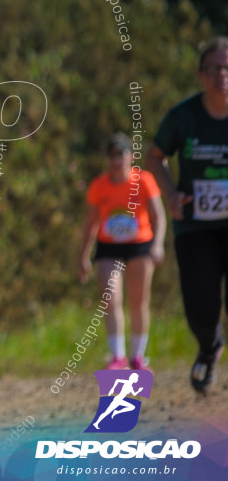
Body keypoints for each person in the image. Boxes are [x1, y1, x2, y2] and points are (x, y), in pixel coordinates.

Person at [147, 36, 228, 393]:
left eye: (227, 68)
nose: (222, 75)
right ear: (200, 75)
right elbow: (154, 156)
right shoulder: (183, 116)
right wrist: (170, 192)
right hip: (195, 226)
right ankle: (209, 348)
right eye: (214, 68)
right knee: (201, 304)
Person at [77, 133, 165, 370]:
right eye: (112, 155)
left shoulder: (144, 181)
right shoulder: (99, 186)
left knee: (138, 301)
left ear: (131, 157)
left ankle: (138, 356)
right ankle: (118, 356)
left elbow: (159, 215)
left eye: (121, 155)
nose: (116, 160)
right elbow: (91, 223)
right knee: (110, 298)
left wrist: (157, 244)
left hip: (140, 245)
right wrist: (83, 256)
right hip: (109, 246)